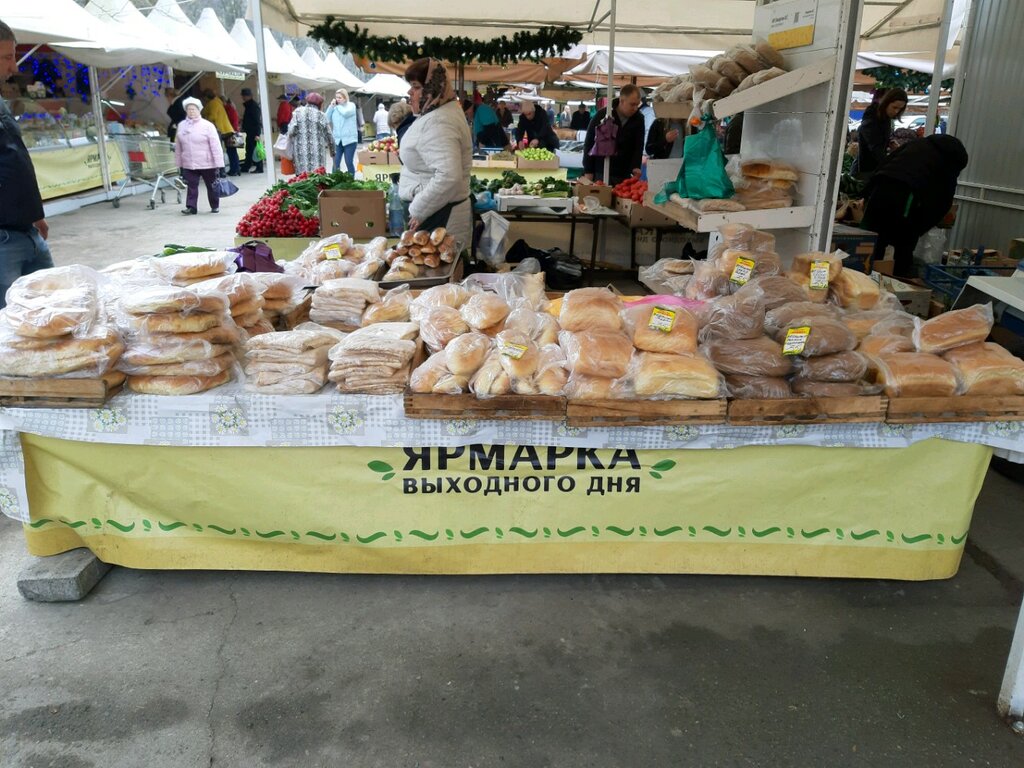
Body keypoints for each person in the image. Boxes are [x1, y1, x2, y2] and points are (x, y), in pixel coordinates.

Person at [860, 134, 968, 279]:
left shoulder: (916, 144)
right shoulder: (947, 163)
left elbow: (885, 164)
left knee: (872, 241)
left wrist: (866, 193)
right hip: (905, 196)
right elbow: (943, 200)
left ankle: (861, 279)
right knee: (904, 243)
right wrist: (922, 227)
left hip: (880, 190)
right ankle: (901, 285)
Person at [0, 19, 54, 306]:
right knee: (10, 331)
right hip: (3, 241)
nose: (14, 67)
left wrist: (34, 212)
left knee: (54, 312)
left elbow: (14, 159)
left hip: (28, 233)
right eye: (7, 57)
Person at [398, 58, 472, 249]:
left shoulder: (439, 121)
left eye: (415, 86)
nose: (409, 92)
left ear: (432, 88)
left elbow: (449, 176)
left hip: (439, 216)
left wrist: (418, 209)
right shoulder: (438, 112)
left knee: (437, 276)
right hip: (437, 212)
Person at [582, 84, 645, 185]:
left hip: (624, 173)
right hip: (601, 170)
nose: (635, 108)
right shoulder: (604, 115)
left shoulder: (639, 119)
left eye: (637, 105)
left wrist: (636, 166)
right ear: (622, 101)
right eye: (632, 104)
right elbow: (589, 142)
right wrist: (588, 170)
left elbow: (638, 145)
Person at [174, 97, 224, 215]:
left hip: (207, 162)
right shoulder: (181, 125)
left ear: (199, 110)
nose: (191, 111)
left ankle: (214, 205)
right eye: (189, 109)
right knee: (191, 185)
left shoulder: (208, 125)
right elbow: (178, 146)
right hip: (189, 162)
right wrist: (179, 163)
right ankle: (191, 207)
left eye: (194, 109)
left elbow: (216, 145)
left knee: (211, 185)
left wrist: (219, 163)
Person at [856, 87, 907, 176]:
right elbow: (874, 145)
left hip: (876, 169)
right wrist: (890, 164)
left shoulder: (886, 117)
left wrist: (889, 142)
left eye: (900, 109)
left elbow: (879, 138)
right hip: (867, 170)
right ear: (887, 102)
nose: (896, 111)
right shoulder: (872, 114)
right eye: (894, 107)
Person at [288, 92, 333, 175]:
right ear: (319, 104)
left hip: (300, 153)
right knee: (318, 179)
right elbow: (329, 135)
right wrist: (333, 152)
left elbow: (291, 131)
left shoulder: (297, 112)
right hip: (318, 154)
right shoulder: (321, 115)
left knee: (302, 180)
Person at [325, 88, 359, 174]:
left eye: (340, 97)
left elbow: (345, 113)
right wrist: (331, 107)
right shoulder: (335, 107)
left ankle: (351, 181)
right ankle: (334, 181)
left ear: (345, 98)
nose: (337, 99)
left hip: (350, 140)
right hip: (337, 140)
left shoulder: (351, 105)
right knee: (336, 163)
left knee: (349, 162)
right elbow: (326, 119)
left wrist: (337, 106)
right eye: (336, 97)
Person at [239, 87, 264, 174]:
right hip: (250, 131)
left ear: (248, 96)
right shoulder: (249, 105)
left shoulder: (253, 106)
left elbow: (257, 121)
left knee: (255, 150)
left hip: (253, 132)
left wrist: (257, 134)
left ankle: (259, 167)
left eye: (244, 96)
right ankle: (247, 166)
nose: (243, 97)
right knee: (249, 149)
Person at [223, 97, 241, 176]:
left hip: (230, 133)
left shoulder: (227, 109)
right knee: (233, 152)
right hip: (234, 132)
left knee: (231, 152)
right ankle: (236, 169)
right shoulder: (233, 109)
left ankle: (234, 170)